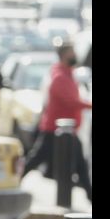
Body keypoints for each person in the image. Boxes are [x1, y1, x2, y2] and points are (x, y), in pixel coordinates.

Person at [22, 43, 92, 203]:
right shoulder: (60, 76)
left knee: (80, 164)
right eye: (72, 53)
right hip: (55, 129)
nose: (75, 55)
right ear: (64, 55)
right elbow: (71, 101)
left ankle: (90, 194)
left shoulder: (68, 74)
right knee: (35, 159)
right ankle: (12, 181)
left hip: (68, 129)